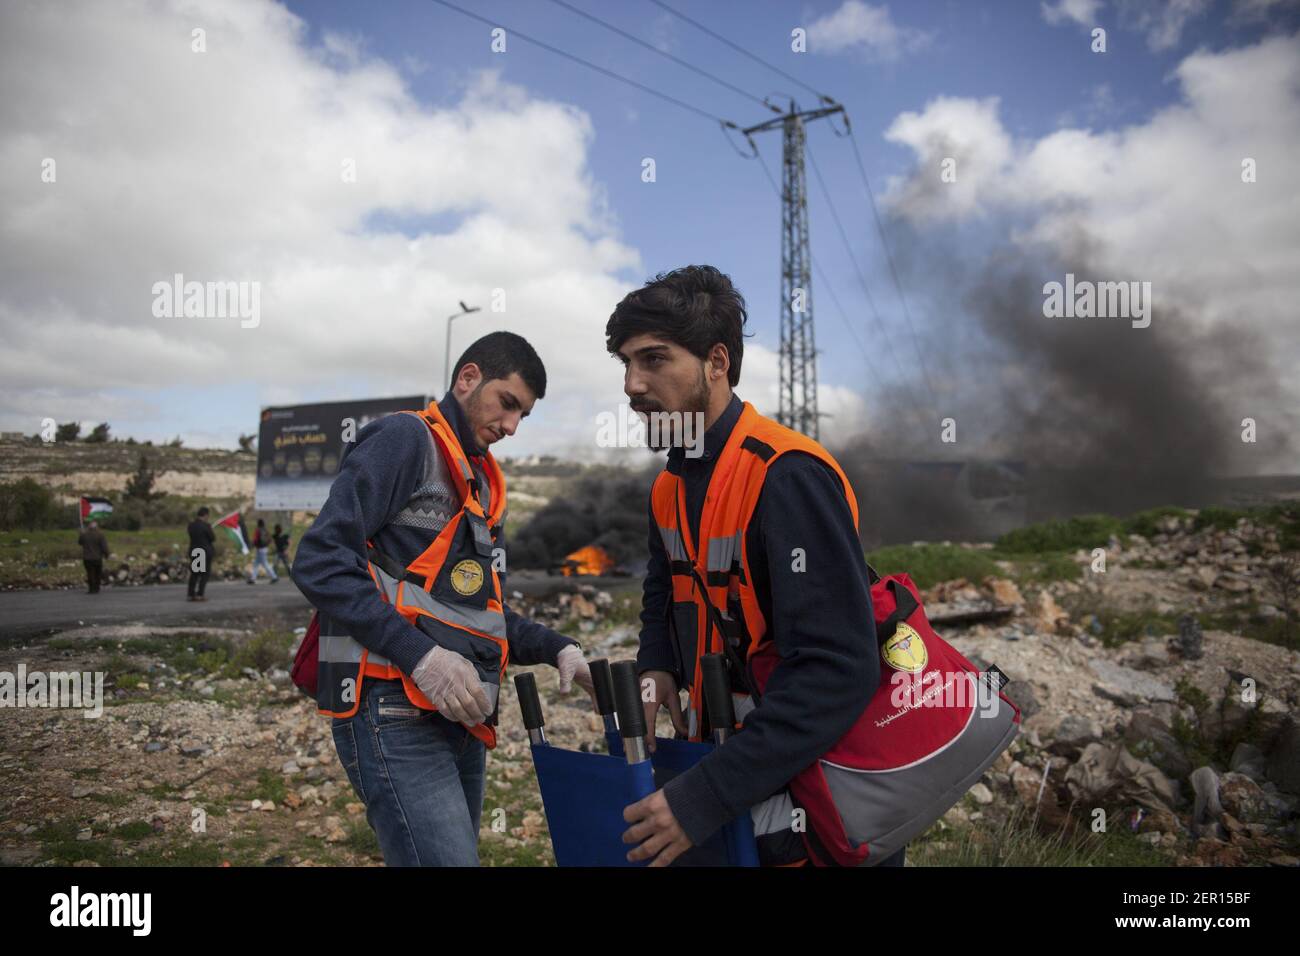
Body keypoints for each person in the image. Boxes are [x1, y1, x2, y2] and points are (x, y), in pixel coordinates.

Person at [608, 265, 905, 868]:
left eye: (654, 360)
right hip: (730, 782)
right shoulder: (669, 485)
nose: (632, 384)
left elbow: (838, 670)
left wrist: (702, 799)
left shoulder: (788, 476)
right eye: (625, 363)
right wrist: (658, 666)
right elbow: (663, 594)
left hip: (811, 806)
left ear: (717, 362)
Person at [292, 331, 596, 866]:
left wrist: (558, 648)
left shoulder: (477, 481)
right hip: (391, 708)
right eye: (507, 404)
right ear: (468, 377)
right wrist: (422, 657)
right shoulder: (405, 440)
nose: (511, 426)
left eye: (523, 415)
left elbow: (478, 612)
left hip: (461, 713)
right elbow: (320, 559)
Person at [187, 507, 216, 601]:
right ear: (206, 515)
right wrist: (210, 528)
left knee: (195, 573)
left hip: (195, 551)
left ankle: (191, 594)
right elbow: (212, 538)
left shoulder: (191, 525)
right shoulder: (206, 526)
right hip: (204, 551)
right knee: (204, 574)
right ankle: (200, 594)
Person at [76, 520, 110, 594]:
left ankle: (91, 589)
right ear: (96, 527)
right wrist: (107, 555)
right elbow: (104, 547)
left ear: (89, 527)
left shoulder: (84, 535)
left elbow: (80, 542)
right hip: (97, 558)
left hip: (87, 558)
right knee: (98, 573)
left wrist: (81, 534)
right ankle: (97, 588)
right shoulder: (100, 535)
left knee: (90, 573)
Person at [246, 518, 278, 584]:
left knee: (265, 563)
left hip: (259, 549)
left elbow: (255, 539)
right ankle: (253, 578)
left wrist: (251, 546)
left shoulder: (258, 530)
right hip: (264, 548)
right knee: (256, 564)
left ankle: (274, 577)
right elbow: (270, 539)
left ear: (258, 523)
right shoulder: (266, 530)